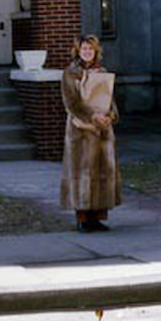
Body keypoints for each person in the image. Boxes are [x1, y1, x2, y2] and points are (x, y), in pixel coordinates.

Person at [60, 35, 121, 232]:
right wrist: (93, 116)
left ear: (96, 51)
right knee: (82, 173)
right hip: (81, 132)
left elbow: (110, 99)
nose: (87, 52)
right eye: (84, 48)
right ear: (78, 50)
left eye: (91, 49)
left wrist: (110, 116)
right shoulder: (71, 73)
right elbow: (72, 103)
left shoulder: (101, 72)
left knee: (101, 173)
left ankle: (97, 217)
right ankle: (83, 218)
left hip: (102, 131)